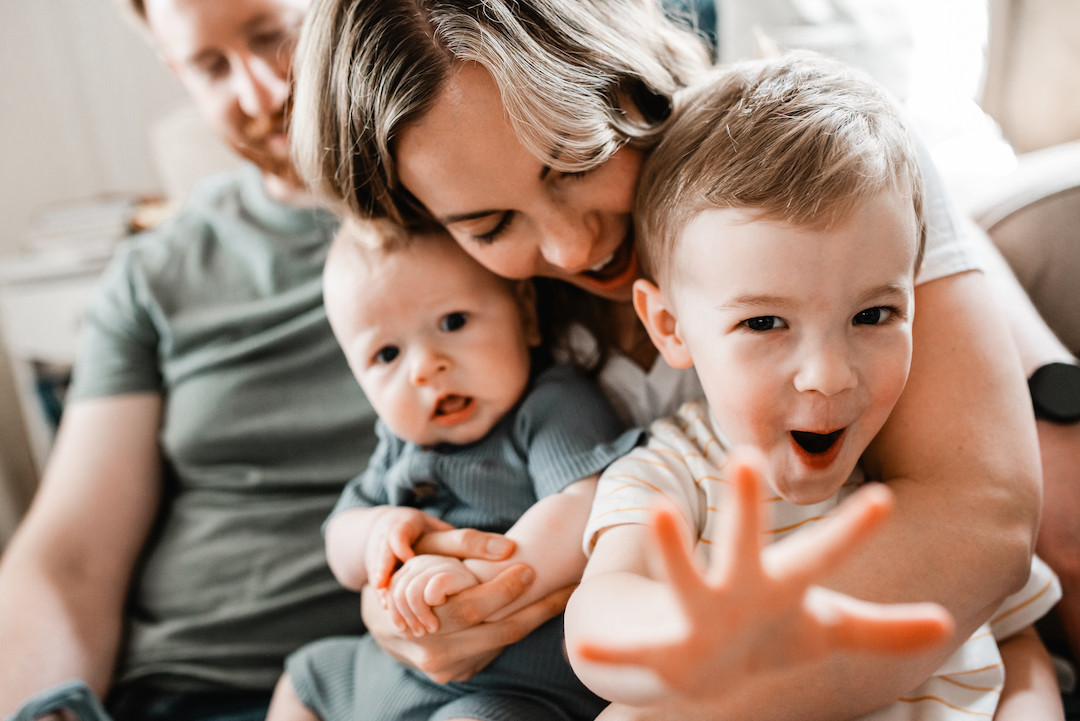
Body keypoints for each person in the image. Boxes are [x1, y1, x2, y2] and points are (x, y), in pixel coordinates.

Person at [288, 0, 1079, 717]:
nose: (571, 246)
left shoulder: (814, 157)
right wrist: (402, 607)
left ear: (621, 71)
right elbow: (439, 506)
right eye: (490, 224)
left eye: (577, 159)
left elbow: (980, 531)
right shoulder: (475, 318)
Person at [0, 1, 559, 719]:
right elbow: (70, 557)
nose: (261, 92)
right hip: (173, 688)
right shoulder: (151, 275)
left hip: (394, 684)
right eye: (210, 66)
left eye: (274, 35)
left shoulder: (476, 213)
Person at [563, 52, 1064, 720]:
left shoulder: (913, 468)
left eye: (874, 315)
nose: (829, 375)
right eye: (764, 323)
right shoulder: (675, 475)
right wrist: (689, 631)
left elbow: (1016, 643)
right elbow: (599, 619)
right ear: (669, 326)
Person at [266, 219, 641, 721]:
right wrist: (377, 532)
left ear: (526, 315)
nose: (425, 367)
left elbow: (582, 508)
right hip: (385, 672)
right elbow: (340, 542)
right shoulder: (399, 443)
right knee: (305, 678)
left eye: (452, 323)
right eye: (387, 354)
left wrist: (476, 582)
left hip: (508, 690)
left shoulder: (549, 404)